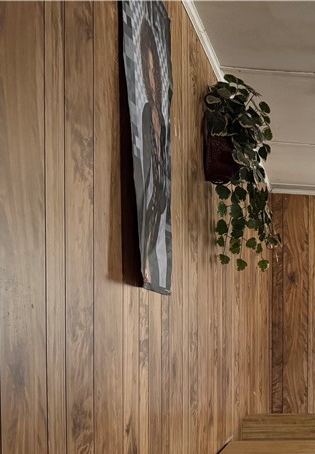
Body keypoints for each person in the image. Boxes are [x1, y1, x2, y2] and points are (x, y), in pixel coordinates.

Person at [136, 16, 172, 293]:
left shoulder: (165, 124)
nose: (151, 79)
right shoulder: (148, 115)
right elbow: (148, 179)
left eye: (155, 71)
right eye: (146, 72)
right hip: (151, 219)